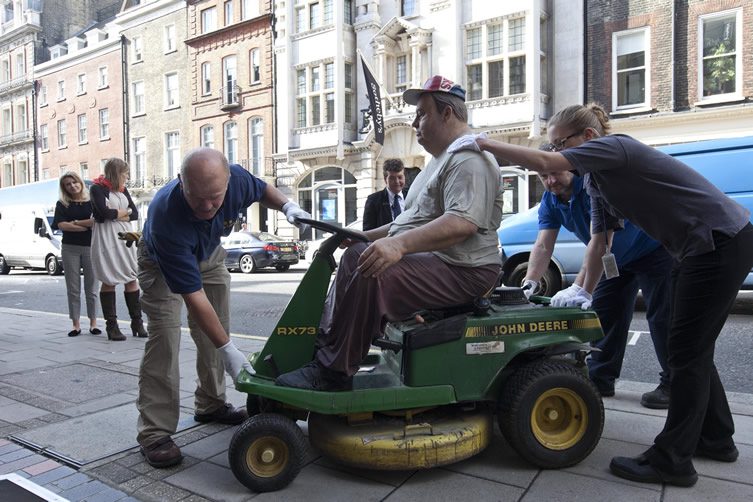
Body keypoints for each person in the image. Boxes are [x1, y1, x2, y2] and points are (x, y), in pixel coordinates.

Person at [450, 103, 753, 487]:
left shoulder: (617, 149)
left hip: (718, 243)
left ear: (588, 138)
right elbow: (601, 240)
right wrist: (581, 288)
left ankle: (672, 459)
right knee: (693, 349)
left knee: (684, 351)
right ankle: (718, 438)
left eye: (562, 143)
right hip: (709, 245)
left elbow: (545, 160)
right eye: (555, 144)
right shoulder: (597, 182)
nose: (557, 152)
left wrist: (482, 142)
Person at [275, 75, 504, 392]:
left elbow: (460, 224)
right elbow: (409, 222)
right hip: (442, 261)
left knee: (375, 270)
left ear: (447, 113)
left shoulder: (469, 159)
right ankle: (326, 349)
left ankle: (333, 373)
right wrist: (364, 237)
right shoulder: (438, 162)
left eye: (422, 114)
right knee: (358, 255)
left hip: (467, 270)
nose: (414, 123)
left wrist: (396, 248)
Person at [136, 147, 310, 468]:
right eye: (197, 197)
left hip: (209, 252)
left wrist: (288, 206)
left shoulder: (238, 181)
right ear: (181, 182)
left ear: (228, 183)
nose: (206, 206)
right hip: (161, 261)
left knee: (218, 328)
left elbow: (262, 190)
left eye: (215, 197)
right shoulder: (165, 215)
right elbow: (194, 297)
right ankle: (154, 431)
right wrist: (229, 350)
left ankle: (211, 403)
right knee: (165, 338)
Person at [522, 148, 673, 408]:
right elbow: (543, 245)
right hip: (613, 261)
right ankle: (601, 377)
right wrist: (529, 284)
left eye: (555, 173)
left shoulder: (594, 186)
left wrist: (579, 286)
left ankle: (673, 384)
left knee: (662, 318)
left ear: (570, 168)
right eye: (544, 176)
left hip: (654, 251)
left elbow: (601, 241)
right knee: (603, 314)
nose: (551, 181)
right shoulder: (551, 200)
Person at [90, 158, 146, 341]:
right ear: (116, 173)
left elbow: (135, 213)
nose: (127, 177)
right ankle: (112, 326)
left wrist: (120, 214)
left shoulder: (123, 190)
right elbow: (103, 214)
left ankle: (137, 323)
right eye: (124, 173)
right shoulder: (97, 188)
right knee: (110, 278)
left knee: (131, 277)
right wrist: (124, 213)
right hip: (106, 237)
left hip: (125, 237)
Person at [51, 172, 101, 337]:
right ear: (64, 187)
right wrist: (83, 226)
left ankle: (93, 323)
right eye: (68, 184)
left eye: (74, 182)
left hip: (89, 247)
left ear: (80, 182)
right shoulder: (62, 204)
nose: (72, 186)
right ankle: (76, 324)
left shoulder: (92, 202)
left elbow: (96, 222)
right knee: (73, 288)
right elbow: (61, 225)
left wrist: (75, 223)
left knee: (92, 287)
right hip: (69, 248)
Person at [362, 158, 406, 231]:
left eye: (400, 177)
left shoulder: (411, 196)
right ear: (385, 179)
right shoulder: (373, 200)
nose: (397, 181)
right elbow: (368, 231)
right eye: (392, 178)